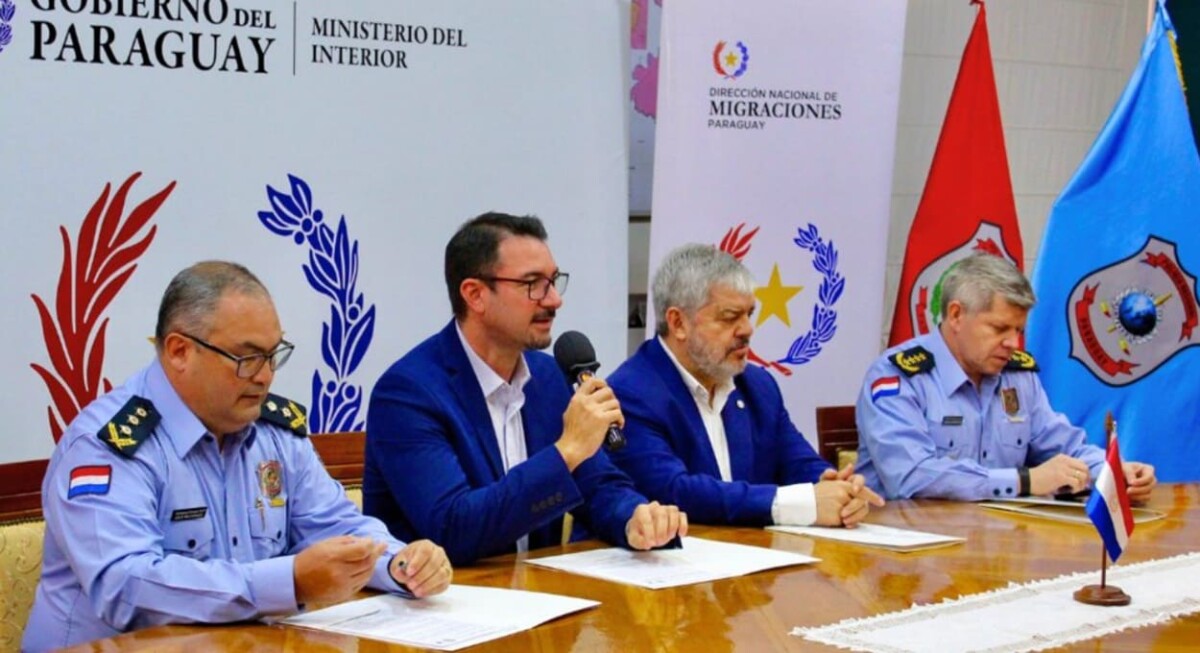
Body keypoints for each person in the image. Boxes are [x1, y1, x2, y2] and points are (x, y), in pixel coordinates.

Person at [24, 262, 451, 652]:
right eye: (246, 358)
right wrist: (289, 581)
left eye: (272, 355)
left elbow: (336, 527)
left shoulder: (274, 432)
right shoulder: (108, 445)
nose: (265, 376)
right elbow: (126, 587)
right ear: (179, 351)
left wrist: (400, 564)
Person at [364, 212, 687, 565]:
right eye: (533, 284)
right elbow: (452, 529)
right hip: (444, 593)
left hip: (534, 588)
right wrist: (567, 450)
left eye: (554, 281)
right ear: (475, 294)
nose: (554, 300)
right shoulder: (408, 394)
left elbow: (599, 486)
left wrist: (633, 518)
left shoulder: (548, 377)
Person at [607, 244, 883, 527]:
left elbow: (798, 463)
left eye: (749, 314)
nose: (747, 329)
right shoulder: (629, 393)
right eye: (730, 317)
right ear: (678, 323)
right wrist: (797, 504)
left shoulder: (757, 386)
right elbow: (673, 492)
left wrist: (838, 489)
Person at [856, 252, 1157, 501]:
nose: (1013, 343)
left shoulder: (1016, 376)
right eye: (999, 329)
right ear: (956, 315)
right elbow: (912, 477)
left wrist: (1112, 472)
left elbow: (1064, 446)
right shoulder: (899, 377)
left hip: (1000, 540)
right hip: (912, 544)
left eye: (1019, 330)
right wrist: (1025, 481)